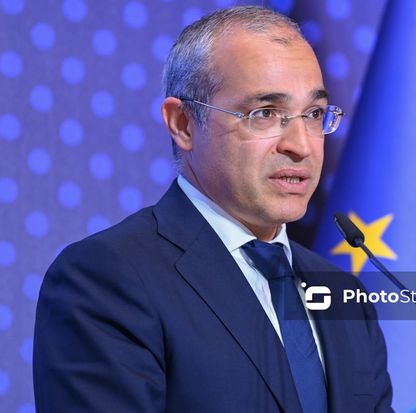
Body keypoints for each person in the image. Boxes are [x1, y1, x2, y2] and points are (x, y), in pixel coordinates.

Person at [33, 6, 393, 412]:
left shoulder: (343, 294)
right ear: (183, 124)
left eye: (313, 114)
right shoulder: (106, 279)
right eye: (265, 114)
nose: (301, 145)